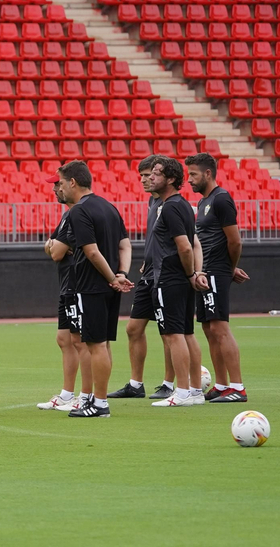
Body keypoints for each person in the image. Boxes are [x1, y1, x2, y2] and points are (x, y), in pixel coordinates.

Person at [51, 160, 132, 418]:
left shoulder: (78, 212)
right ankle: (98, 400)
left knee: (94, 345)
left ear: (73, 182)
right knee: (103, 345)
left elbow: (91, 251)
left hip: (91, 286)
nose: (60, 188)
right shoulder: (109, 207)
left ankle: (99, 403)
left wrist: (111, 277)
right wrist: (121, 274)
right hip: (109, 287)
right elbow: (125, 245)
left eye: (61, 182)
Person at [108, 156, 174, 400]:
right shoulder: (152, 202)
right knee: (133, 328)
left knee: (169, 332)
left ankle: (169, 383)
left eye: (149, 175)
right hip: (149, 273)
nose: (145, 180)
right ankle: (136, 385)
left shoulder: (172, 204)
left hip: (166, 274)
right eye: (143, 176)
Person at [146, 157, 208, 408]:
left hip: (169, 278)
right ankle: (194, 390)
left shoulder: (170, 207)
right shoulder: (182, 204)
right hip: (180, 278)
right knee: (187, 333)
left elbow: (184, 246)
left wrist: (191, 273)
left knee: (173, 335)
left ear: (170, 179)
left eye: (156, 174)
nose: (150, 177)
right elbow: (192, 243)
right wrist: (193, 274)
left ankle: (181, 391)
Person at [187, 152, 248, 402]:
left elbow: (234, 241)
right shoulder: (203, 202)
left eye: (193, 174)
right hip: (206, 271)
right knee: (208, 328)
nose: (189, 179)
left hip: (216, 271)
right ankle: (222, 385)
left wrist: (229, 267)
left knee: (220, 327)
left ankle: (238, 387)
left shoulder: (222, 199)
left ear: (208, 173)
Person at [38, 181, 82, 412]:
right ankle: (67, 394)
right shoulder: (67, 216)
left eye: (58, 185)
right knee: (64, 339)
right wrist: (55, 246)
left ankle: (86, 396)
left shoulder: (77, 214)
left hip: (76, 283)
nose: (55, 190)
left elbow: (54, 251)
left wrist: (55, 246)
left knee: (81, 341)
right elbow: (51, 246)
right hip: (66, 284)